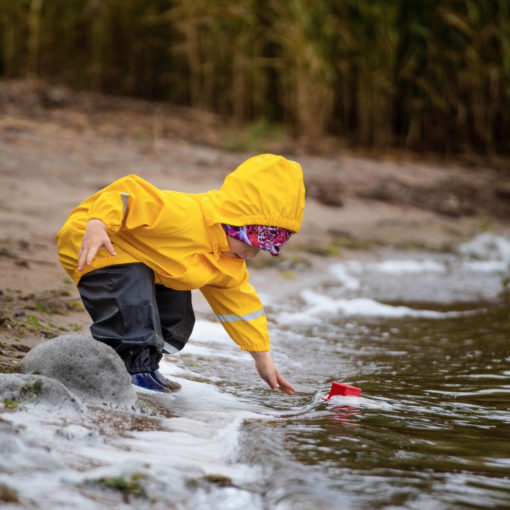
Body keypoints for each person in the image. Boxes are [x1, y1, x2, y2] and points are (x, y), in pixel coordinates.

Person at [56, 154, 305, 394]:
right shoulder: (185, 215)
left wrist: (262, 357)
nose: (252, 254)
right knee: (134, 304)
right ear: (235, 225)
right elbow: (125, 193)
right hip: (99, 242)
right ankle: (130, 368)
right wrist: (99, 224)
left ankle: (146, 364)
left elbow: (242, 306)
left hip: (146, 261)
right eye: (252, 244)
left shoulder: (227, 260)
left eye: (262, 250)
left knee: (177, 314)